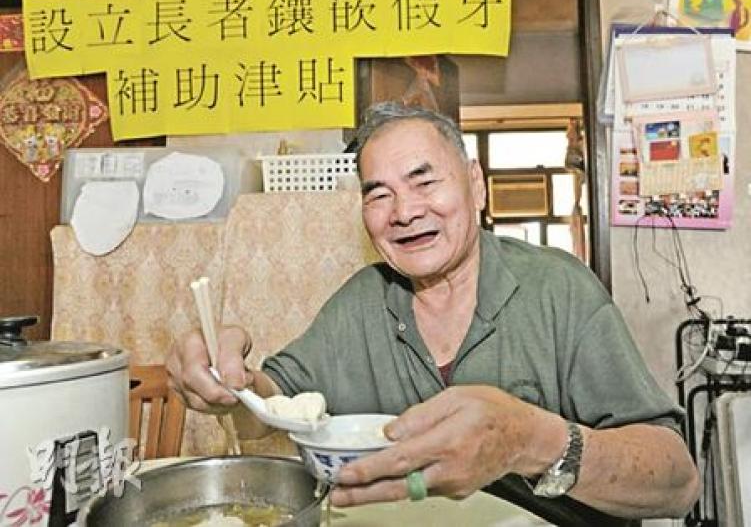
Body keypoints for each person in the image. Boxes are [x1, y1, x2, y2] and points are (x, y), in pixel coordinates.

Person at [167, 102, 699, 523]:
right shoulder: (360, 302)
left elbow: (676, 482)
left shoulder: (559, 289)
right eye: (379, 195)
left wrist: (529, 440)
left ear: (476, 183)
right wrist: (224, 382)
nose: (404, 212)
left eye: (425, 181)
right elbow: (269, 407)